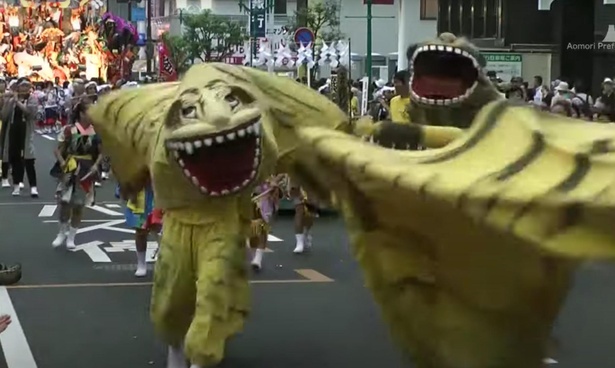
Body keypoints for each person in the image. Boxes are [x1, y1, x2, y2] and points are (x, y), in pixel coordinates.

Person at [51, 102, 102, 249]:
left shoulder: (96, 132)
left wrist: (95, 165)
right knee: (65, 202)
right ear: (81, 113)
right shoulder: (69, 129)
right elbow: (58, 150)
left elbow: (102, 152)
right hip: (70, 167)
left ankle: (71, 237)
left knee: (79, 205)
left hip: (86, 170)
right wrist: (62, 163)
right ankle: (61, 232)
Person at [0, 78, 39, 197]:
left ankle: (33, 186)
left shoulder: (32, 99)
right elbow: (4, 116)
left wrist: (18, 102)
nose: (25, 89)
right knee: (15, 158)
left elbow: (30, 113)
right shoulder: (12, 100)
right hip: (13, 132)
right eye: (23, 86)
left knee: (28, 159)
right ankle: (16, 185)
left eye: (27, 86)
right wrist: (6, 101)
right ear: (18, 88)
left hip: (26, 131)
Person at [120, 183, 162, 277]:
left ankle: (165, 262)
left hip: (160, 194)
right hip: (140, 197)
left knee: (161, 230)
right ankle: (141, 263)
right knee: (140, 231)